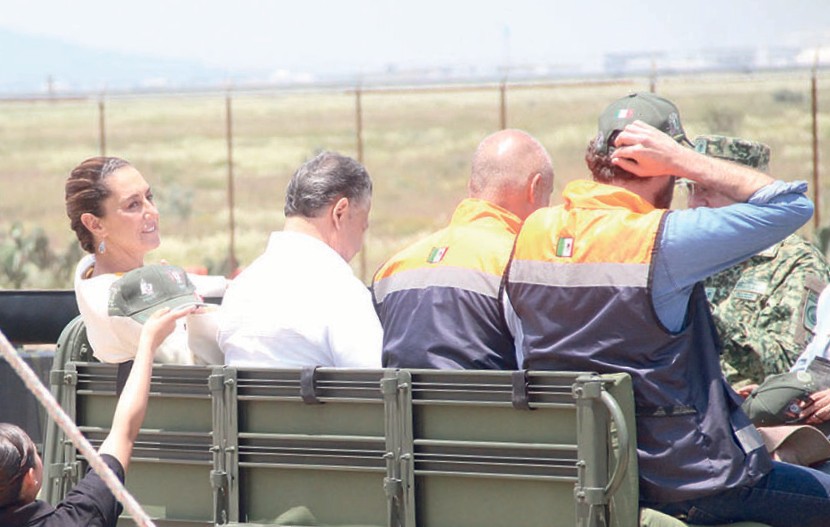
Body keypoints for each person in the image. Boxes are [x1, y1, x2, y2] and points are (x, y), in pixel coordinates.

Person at [503, 91, 830, 526]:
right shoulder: (662, 239)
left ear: (593, 160)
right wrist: (683, 159)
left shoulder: (533, 232)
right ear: (661, 166)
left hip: (589, 472)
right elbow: (792, 205)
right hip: (686, 481)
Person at [0, 304, 196, 527]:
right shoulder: (76, 519)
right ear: (30, 478)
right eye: (36, 454)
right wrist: (147, 343)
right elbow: (123, 432)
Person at [372, 129, 553, 369]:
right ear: (534, 188)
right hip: (490, 407)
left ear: (472, 186)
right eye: (548, 196)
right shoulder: (522, 267)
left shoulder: (392, 269)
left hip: (404, 407)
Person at [218, 151, 382, 368]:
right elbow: (377, 386)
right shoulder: (343, 293)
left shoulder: (238, 291)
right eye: (363, 226)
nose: (360, 245)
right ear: (340, 212)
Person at [688, 135, 829, 387]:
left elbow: (794, 367)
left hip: (752, 418)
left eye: (706, 190)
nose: (694, 203)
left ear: (747, 192)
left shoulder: (795, 261)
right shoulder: (687, 254)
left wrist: (707, 315)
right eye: (691, 189)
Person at [65, 157, 227, 365]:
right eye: (133, 205)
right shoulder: (122, 303)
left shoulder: (114, 279)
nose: (152, 212)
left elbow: (221, 287)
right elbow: (200, 364)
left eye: (149, 197)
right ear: (95, 224)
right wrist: (196, 309)